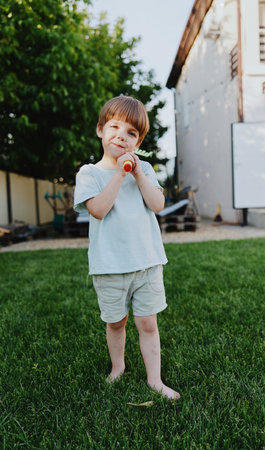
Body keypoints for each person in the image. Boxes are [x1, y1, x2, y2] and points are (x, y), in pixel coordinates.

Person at [74, 95, 180, 400]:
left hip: (147, 262)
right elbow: (98, 210)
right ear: (100, 131)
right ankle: (118, 366)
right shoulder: (89, 173)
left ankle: (154, 379)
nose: (121, 135)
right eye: (115, 126)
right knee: (116, 321)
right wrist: (120, 173)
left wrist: (135, 171)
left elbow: (158, 204)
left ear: (138, 141)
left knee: (147, 322)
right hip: (109, 266)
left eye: (131, 132)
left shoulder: (143, 169)